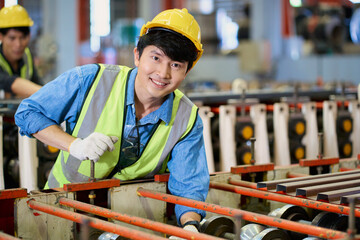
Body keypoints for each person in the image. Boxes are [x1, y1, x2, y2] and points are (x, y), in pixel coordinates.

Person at [15, 8, 209, 236]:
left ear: (187, 71)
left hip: (132, 223)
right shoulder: (90, 80)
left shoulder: (188, 118)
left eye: (176, 65)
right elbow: (28, 112)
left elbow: (189, 187)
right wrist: (74, 145)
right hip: (62, 213)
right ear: (137, 55)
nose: (163, 73)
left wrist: (189, 227)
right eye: (156, 58)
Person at [0, 4, 42, 98]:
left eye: (23, 37)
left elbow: (36, 82)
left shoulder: (26, 54)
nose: (18, 44)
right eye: (12, 38)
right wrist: (49, 94)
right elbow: (11, 83)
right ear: (1, 37)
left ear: (29, 36)